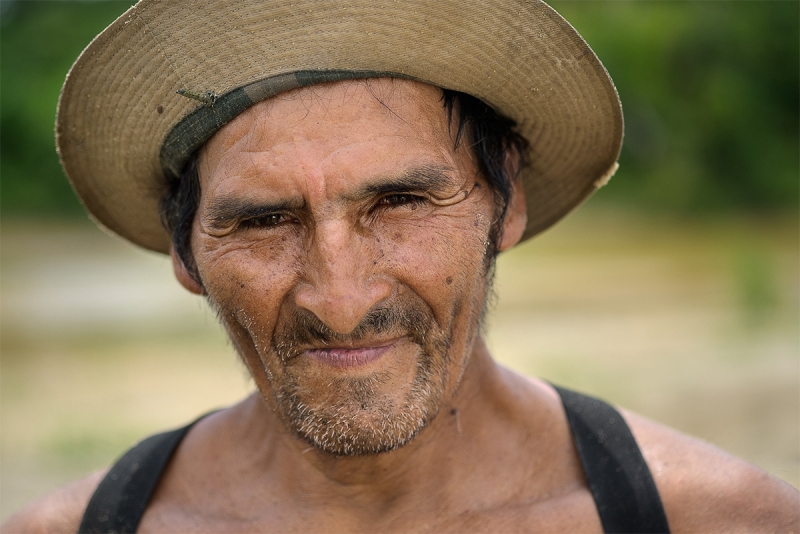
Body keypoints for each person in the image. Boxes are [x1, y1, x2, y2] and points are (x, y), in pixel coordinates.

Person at [4, 0, 798, 532]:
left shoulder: (724, 521)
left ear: (506, 200)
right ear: (185, 253)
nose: (341, 299)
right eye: (264, 221)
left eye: (400, 203)